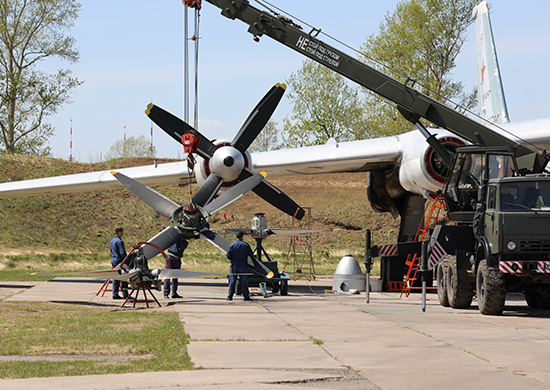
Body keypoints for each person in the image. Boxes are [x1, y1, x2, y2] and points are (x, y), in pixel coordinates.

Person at [226, 231, 253, 301]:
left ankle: (230, 296)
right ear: (242, 236)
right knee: (244, 281)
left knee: (232, 281)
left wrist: (233, 259)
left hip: (234, 265)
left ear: (236, 237)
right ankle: (246, 296)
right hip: (243, 265)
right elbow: (251, 254)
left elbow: (228, 256)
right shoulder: (246, 245)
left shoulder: (232, 245)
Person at [110, 227, 129, 300]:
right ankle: (125, 294)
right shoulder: (119, 241)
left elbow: (111, 250)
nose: (123, 234)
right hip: (119, 261)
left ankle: (115, 293)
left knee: (115, 277)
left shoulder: (112, 241)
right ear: (119, 232)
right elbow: (122, 253)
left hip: (114, 259)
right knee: (124, 277)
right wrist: (126, 260)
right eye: (122, 232)